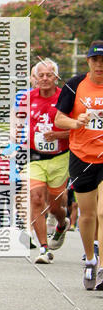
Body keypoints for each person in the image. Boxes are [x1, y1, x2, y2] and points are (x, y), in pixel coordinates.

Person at [55, 42, 103, 289]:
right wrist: (77, 122)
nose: (100, 65)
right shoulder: (74, 85)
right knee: (87, 215)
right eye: (95, 60)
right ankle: (91, 260)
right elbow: (59, 119)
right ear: (88, 61)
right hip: (82, 155)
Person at [28, 59, 70, 264]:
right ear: (35, 78)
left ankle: (62, 223)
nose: (45, 79)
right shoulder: (27, 98)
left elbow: (77, 128)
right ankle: (44, 248)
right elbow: (18, 122)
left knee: (55, 207)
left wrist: (60, 135)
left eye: (49, 75)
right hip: (34, 157)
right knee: (36, 199)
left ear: (56, 77)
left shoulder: (65, 97)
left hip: (60, 158)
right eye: (41, 75)